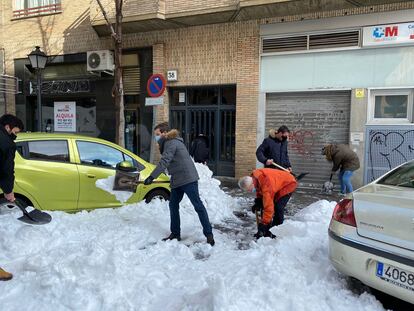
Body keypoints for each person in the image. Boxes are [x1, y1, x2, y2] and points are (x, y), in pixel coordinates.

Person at [144, 122, 215, 246]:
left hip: (188, 178)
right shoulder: (168, 142)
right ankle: (175, 233)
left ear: (165, 133)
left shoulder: (171, 143)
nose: (156, 137)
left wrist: (152, 177)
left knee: (198, 205)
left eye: (157, 134)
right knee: (173, 205)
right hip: (177, 179)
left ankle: (209, 235)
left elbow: (165, 160)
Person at [238, 168, 297, 239]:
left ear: (252, 184)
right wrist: (258, 201)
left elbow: (269, 208)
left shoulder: (266, 185)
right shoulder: (255, 178)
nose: (250, 191)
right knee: (264, 203)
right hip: (277, 182)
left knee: (278, 207)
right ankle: (267, 230)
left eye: (249, 189)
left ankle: (277, 231)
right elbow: (259, 189)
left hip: (288, 184)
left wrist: (264, 224)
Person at [0, 114, 24, 281]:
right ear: (8, 127)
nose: (16, 135)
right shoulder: (7, 143)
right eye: (16, 131)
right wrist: (9, 191)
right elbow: (7, 170)